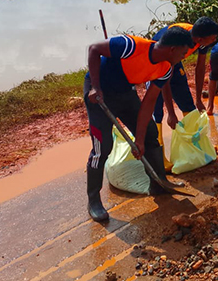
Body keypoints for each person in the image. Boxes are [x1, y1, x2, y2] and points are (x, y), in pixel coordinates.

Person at [83, 27, 194, 222]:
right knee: (103, 147)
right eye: (183, 53)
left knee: (150, 134)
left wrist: (140, 140)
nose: (183, 57)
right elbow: (94, 49)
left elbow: (148, 103)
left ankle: (158, 183)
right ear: (172, 49)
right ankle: (93, 200)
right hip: (99, 94)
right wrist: (95, 86)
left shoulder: (165, 69)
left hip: (126, 93)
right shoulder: (131, 46)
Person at [150, 18, 218, 171]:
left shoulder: (200, 40)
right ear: (201, 39)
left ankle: (199, 147)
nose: (214, 40)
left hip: (174, 62)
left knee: (188, 105)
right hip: (157, 65)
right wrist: (171, 113)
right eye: (213, 38)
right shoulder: (175, 43)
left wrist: (198, 99)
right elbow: (164, 80)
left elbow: (200, 68)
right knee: (157, 112)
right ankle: (159, 159)